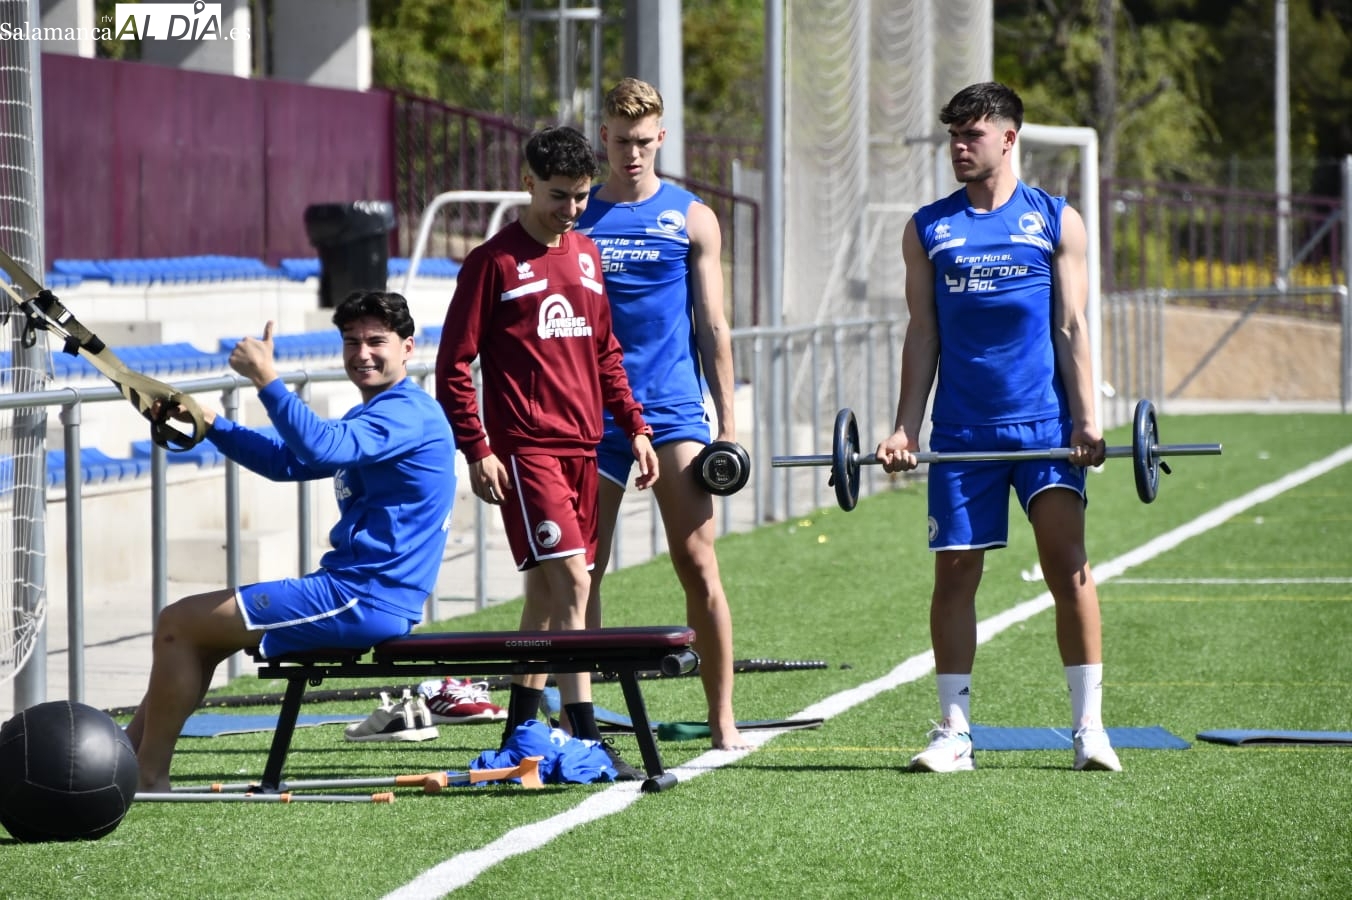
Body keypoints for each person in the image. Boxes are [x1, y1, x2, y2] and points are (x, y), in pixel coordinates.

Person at [875, 81, 1121, 773]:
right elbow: (921, 334)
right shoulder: (928, 227)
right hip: (962, 432)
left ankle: (1089, 730)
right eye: (953, 134)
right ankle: (955, 733)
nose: (958, 146)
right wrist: (903, 428)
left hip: (1044, 430)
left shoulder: (1054, 220)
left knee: (1067, 567)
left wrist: (1088, 420)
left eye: (972, 134)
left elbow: (1072, 327)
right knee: (954, 576)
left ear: (1008, 138)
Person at [126, 290, 456, 791]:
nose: (362, 353)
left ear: (408, 348)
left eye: (376, 341)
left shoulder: (409, 412)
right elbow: (288, 461)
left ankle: (144, 776)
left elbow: (321, 446)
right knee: (194, 636)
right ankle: (125, 761)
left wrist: (266, 378)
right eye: (351, 341)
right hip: (354, 591)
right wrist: (212, 425)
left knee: (178, 624)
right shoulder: (379, 413)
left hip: (362, 598)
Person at [435, 125, 659, 780]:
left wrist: (637, 427)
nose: (570, 210)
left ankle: (520, 735)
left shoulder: (587, 254)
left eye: (582, 197)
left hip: (584, 448)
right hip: (526, 450)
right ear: (527, 181)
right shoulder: (492, 262)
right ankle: (585, 736)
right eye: (559, 195)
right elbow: (455, 365)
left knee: (544, 599)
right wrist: (476, 447)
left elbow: (605, 353)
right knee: (576, 588)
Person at [575, 76, 748, 751]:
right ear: (603, 138)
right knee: (582, 569)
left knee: (697, 561)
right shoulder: (578, 216)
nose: (632, 155)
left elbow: (714, 327)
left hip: (674, 414)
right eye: (620, 143)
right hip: (594, 419)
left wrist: (727, 425)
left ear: (662, 138)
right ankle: (578, 716)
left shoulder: (692, 217)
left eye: (644, 142)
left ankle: (722, 716)